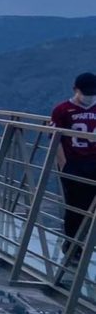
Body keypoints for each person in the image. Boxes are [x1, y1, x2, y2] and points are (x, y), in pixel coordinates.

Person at [50, 72, 96, 264]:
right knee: (75, 207)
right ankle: (72, 247)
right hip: (74, 163)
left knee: (91, 208)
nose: (89, 96)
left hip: (94, 162)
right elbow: (55, 138)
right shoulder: (62, 110)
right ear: (75, 90)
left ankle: (84, 245)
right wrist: (64, 165)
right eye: (85, 93)